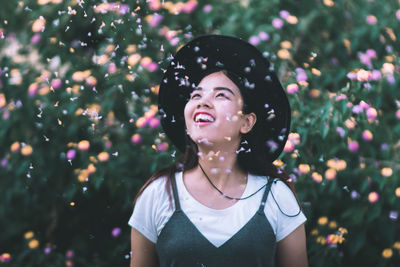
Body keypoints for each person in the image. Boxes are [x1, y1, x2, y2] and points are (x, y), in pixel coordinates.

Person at [128, 35, 308, 267]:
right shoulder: (158, 194)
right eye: (196, 95)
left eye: (221, 95)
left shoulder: (276, 197)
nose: (203, 102)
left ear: (246, 122)